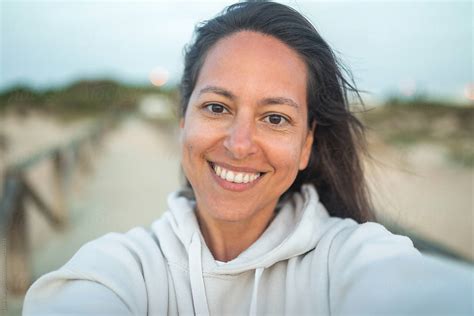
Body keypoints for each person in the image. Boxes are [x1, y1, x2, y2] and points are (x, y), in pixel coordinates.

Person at [23, 2, 472, 315]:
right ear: (184, 120)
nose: (240, 144)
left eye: (274, 118)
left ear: (306, 145)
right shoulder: (122, 268)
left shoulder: (351, 260)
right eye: (217, 108)